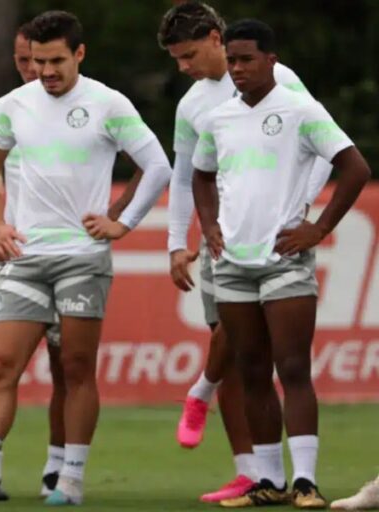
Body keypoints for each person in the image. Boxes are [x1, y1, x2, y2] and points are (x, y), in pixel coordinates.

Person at [0, 10, 172, 506]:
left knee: (76, 367)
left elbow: (158, 166)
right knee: (1, 366)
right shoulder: (15, 103)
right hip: (25, 256)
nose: (46, 72)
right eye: (38, 61)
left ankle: (70, 481)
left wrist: (120, 220)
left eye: (56, 61)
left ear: (79, 54)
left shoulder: (108, 103)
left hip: (82, 258)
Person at [157, 1, 334, 503]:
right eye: (176, 59)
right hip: (224, 239)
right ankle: (253, 472)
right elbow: (188, 173)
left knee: (264, 355)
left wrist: (302, 211)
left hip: (276, 237)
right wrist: (179, 241)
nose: (184, 67)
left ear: (216, 38)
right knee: (236, 346)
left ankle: (201, 390)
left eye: (189, 54)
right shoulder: (193, 105)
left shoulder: (280, 80)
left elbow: (322, 146)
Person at [191, 19, 369, 509]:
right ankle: (267, 481)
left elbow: (354, 166)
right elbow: (201, 176)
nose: (238, 69)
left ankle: (306, 481)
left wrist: (319, 228)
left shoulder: (300, 110)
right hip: (233, 263)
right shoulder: (220, 119)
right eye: (232, 61)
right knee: (250, 370)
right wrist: (208, 226)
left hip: (284, 262)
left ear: (271, 60)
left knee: (292, 367)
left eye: (247, 59)